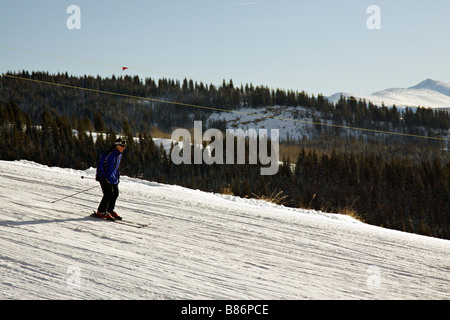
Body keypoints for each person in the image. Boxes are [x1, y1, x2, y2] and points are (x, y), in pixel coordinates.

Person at [95, 138, 126, 220]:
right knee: (108, 193)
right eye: (122, 146)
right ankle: (101, 211)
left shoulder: (119, 155)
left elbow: (116, 168)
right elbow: (100, 167)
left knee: (115, 193)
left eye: (124, 146)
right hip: (104, 177)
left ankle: (109, 210)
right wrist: (103, 178)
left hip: (113, 178)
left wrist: (117, 176)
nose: (123, 148)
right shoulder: (107, 154)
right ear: (117, 145)